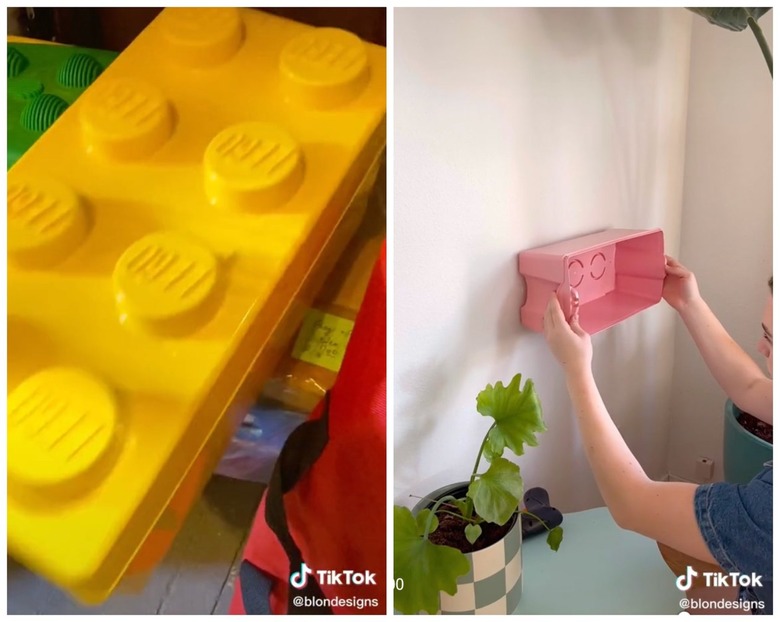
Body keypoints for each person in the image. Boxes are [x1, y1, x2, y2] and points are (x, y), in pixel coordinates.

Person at [542, 256, 772, 615]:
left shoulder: (766, 512)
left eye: (771, 340)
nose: (762, 348)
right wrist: (688, 302)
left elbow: (632, 503)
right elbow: (752, 386)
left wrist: (576, 368)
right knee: (700, 596)